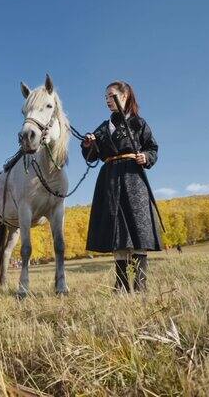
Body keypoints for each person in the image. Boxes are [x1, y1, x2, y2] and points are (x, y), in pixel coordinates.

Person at [81, 81, 164, 293]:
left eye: (111, 95)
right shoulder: (102, 127)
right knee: (116, 232)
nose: (108, 100)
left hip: (133, 179)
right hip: (109, 180)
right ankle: (120, 285)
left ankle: (140, 285)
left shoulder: (138, 123)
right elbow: (93, 156)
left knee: (137, 230)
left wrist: (145, 156)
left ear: (124, 95)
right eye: (106, 97)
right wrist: (90, 144)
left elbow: (152, 148)